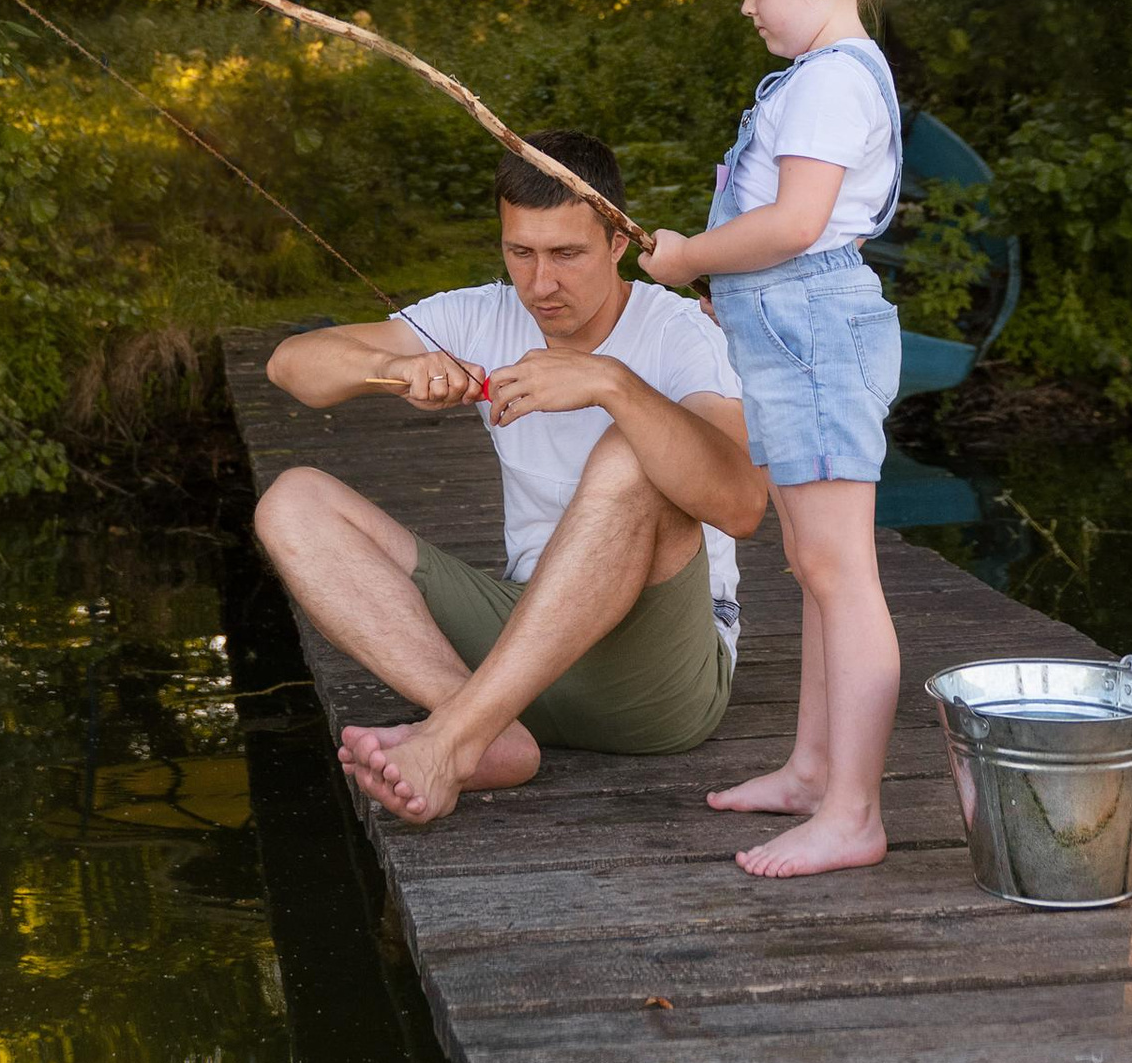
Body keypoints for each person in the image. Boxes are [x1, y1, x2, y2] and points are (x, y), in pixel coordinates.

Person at [252, 129, 764, 828]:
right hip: (521, 655)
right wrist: (394, 371)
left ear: (619, 242)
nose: (541, 283)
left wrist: (613, 385)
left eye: (567, 255)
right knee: (292, 502)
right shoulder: (482, 314)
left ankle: (451, 738)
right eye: (520, 252)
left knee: (628, 452)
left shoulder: (680, 335)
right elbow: (291, 364)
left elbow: (740, 503)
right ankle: (483, 732)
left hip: (655, 685)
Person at [639, 0, 903, 879]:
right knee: (812, 567)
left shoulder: (829, 84)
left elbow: (795, 225)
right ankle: (809, 771)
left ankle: (854, 813)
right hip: (788, 331)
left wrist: (693, 257)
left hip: (815, 336)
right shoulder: (816, 80)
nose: (745, 6)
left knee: (845, 578)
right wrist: (719, 274)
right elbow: (783, 228)